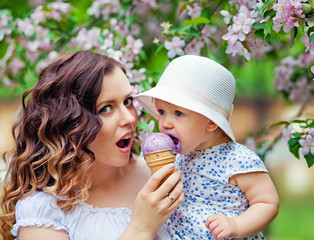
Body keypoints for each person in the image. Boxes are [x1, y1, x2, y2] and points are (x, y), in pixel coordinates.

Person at [0, 50, 184, 240]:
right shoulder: (45, 211)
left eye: (128, 101)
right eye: (106, 109)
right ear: (70, 124)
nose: (129, 118)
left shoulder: (170, 173)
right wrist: (141, 228)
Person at [135, 55, 279, 240]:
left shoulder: (239, 160)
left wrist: (236, 225)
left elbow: (267, 203)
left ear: (211, 122)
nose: (165, 123)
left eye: (178, 113)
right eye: (162, 112)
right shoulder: (178, 157)